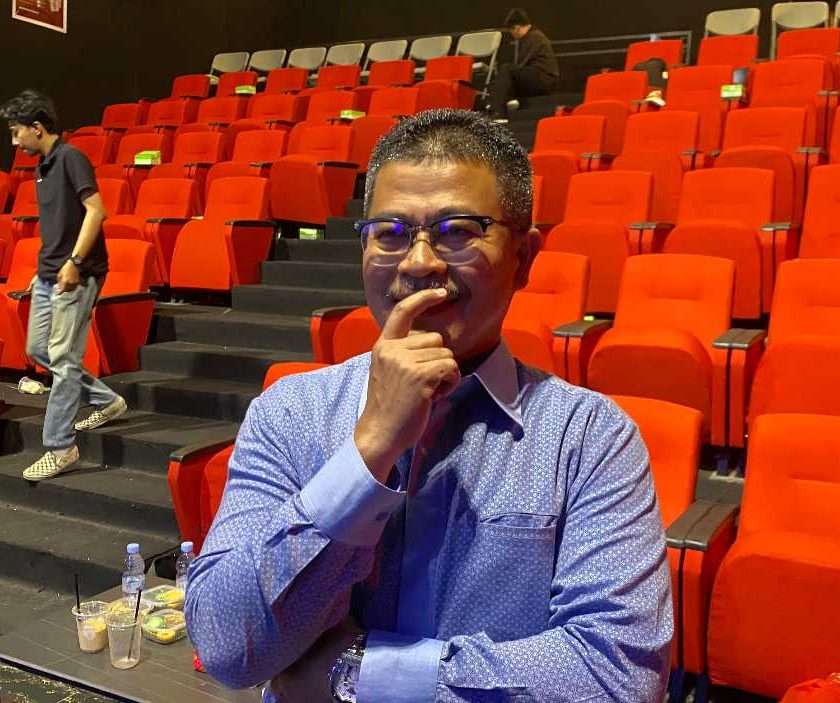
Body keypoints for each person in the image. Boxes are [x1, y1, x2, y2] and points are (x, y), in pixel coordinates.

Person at [185, 109, 672, 702]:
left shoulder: (590, 437)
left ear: (524, 257)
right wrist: (369, 452)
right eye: (390, 233)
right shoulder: (290, 411)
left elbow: (619, 676)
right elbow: (227, 646)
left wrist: (358, 674)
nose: (419, 262)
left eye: (457, 231)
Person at [0, 90, 127, 482]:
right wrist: (45, 268)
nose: (14, 141)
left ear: (37, 128)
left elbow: (96, 212)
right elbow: (58, 223)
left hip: (78, 273)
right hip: (48, 272)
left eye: (17, 131)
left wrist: (74, 263)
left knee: (63, 357)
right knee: (38, 349)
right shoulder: (41, 166)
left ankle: (60, 447)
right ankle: (107, 400)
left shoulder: (71, 157)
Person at [489, 8, 560, 121]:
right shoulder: (532, 36)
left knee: (506, 69)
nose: (512, 34)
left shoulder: (535, 37)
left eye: (511, 31)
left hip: (543, 79)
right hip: (538, 77)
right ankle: (502, 103)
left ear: (517, 28)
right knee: (505, 78)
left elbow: (522, 65)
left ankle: (498, 111)